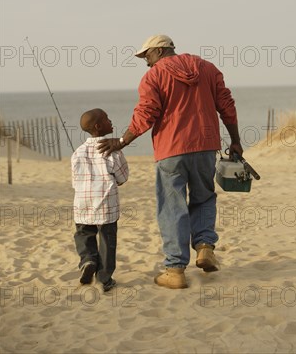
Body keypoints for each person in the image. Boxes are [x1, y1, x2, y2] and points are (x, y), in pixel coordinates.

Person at [98, 35, 243, 289]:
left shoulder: (154, 77)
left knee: (172, 207)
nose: (146, 63)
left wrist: (122, 140)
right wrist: (236, 140)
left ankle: (175, 269)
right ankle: (205, 247)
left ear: (160, 50)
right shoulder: (207, 68)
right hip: (206, 146)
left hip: (171, 149)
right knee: (204, 198)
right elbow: (226, 106)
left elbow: (146, 114)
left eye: (147, 56)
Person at [71, 108, 129, 292]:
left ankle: (88, 260)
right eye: (106, 119)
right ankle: (104, 278)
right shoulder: (113, 151)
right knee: (107, 239)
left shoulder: (77, 153)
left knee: (84, 234)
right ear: (98, 126)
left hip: (83, 203)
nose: (111, 121)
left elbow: (75, 181)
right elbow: (122, 177)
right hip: (106, 204)